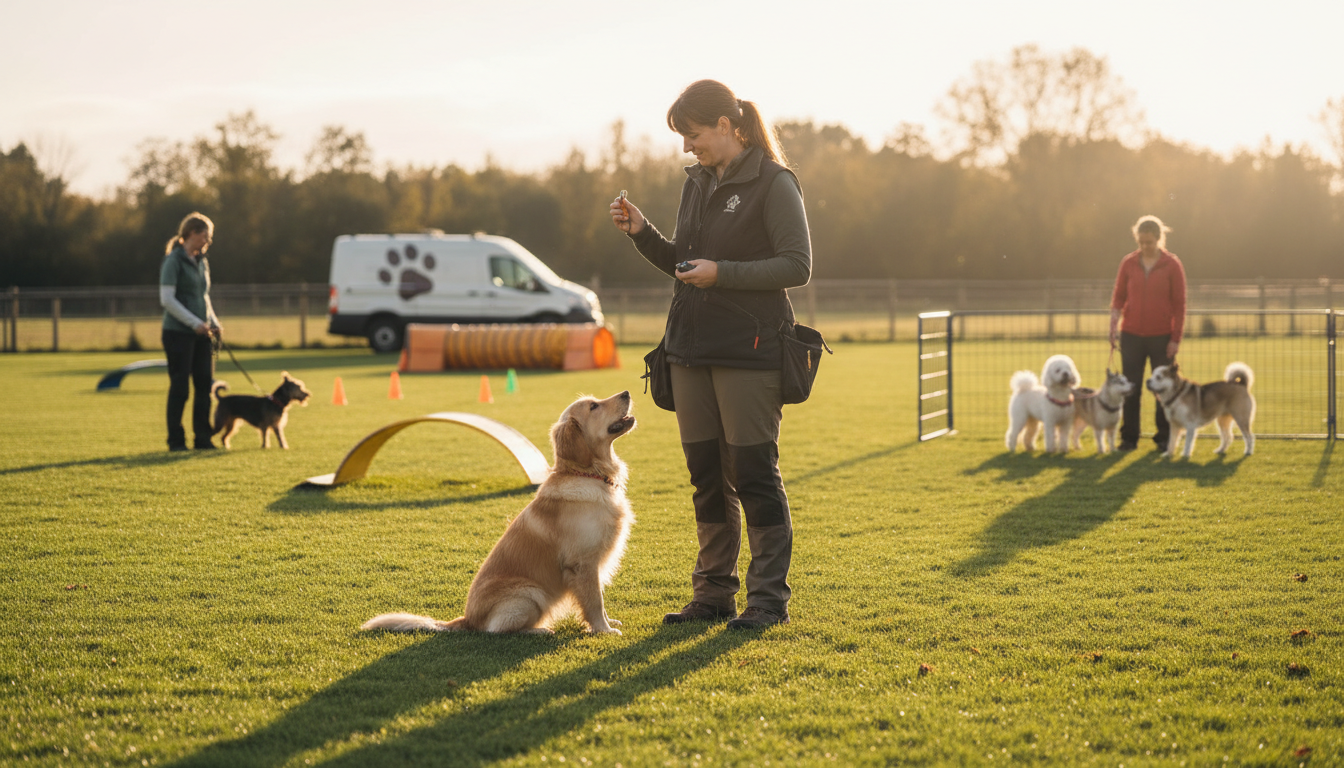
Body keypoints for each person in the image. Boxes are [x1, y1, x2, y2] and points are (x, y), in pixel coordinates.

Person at [609, 80, 811, 629]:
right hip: (688, 351)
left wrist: (723, 275)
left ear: (726, 125)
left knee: (753, 474)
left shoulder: (775, 182)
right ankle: (713, 595)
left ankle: (767, 601)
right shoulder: (696, 183)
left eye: (692, 135)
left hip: (750, 351)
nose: (686, 148)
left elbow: (797, 265)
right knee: (706, 477)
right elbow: (687, 264)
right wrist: (643, 234)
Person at [1109, 215, 1187, 452]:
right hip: (1131, 335)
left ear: (1159, 239)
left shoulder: (1172, 265)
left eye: (1150, 242)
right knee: (1130, 389)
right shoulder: (1128, 263)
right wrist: (1113, 326)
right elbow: (1118, 297)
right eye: (1141, 242)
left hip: (1161, 336)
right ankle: (1129, 438)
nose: (1145, 247)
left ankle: (1164, 438)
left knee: (1163, 389)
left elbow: (1179, 305)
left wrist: (1175, 339)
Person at [159, 212, 223, 452]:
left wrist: (212, 322)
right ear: (190, 234)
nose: (207, 241)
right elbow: (167, 299)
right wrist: (194, 323)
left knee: (204, 385)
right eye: (204, 236)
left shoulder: (201, 261)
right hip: (177, 333)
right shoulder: (173, 261)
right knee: (180, 387)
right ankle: (176, 440)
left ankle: (203, 439)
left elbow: (203, 296)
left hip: (201, 334)